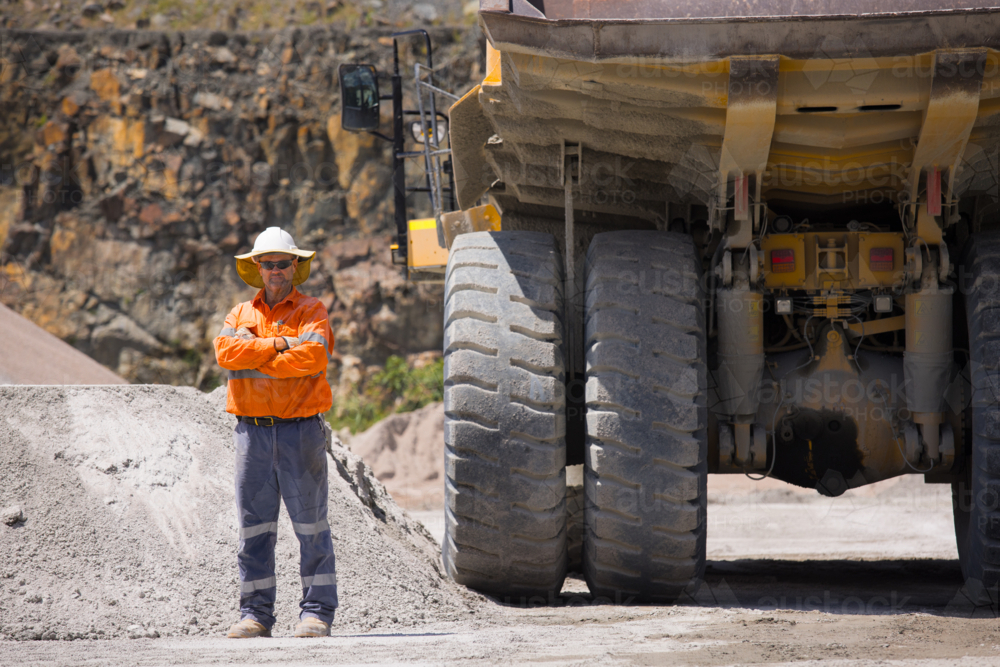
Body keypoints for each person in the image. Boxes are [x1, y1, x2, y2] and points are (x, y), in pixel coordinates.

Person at [213, 226, 338, 638]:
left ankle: (316, 613)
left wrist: (258, 355)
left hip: (300, 433)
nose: (276, 270)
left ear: (294, 266)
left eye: (283, 263)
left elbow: (313, 358)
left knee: (310, 527)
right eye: (268, 264)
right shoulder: (238, 315)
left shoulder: (312, 310)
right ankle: (255, 615)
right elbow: (226, 356)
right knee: (254, 529)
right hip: (251, 434)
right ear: (258, 268)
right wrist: (280, 345)